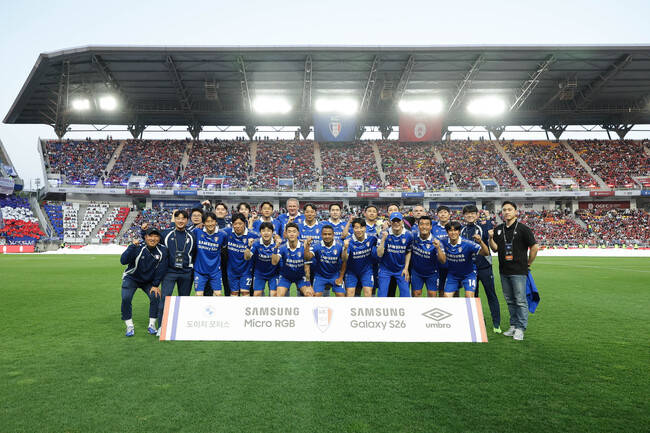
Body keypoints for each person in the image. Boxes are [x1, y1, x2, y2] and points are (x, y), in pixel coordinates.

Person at [488, 201, 539, 341]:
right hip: (504, 271)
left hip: (519, 271)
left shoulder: (523, 229)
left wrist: (528, 263)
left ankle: (520, 328)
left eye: (509, 209)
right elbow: (495, 249)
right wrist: (491, 238)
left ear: (516, 212)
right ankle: (513, 325)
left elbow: (534, 247)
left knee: (520, 300)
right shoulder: (499, 229)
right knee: (510, 300)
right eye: (504, 210)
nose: (506, 212)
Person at [142, 210, 196, 331]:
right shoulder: (166, 234)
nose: (180, 221)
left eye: (183, 218)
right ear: (174, 219)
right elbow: (152, 241)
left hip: (186, 273)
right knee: (165, 300)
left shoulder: (192, 236)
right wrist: (143, 232)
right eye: (178, 218)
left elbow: (194, 253)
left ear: (187, 220)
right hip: (169, 272)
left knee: (184, 301)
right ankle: (162, 327)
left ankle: (182, 326)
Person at [120, 227, 168, 337]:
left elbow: (162, 269)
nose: (153, 238)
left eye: (156, 236)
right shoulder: (137, 247)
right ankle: (129, 325)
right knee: (126, 298)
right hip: (132, 278)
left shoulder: (163, 250)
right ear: (145, 237)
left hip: (148, 281)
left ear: (159, 238)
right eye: (150, 236)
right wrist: (131, 247)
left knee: (155, 296)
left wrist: (155, 285)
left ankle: (152, 324)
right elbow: (123, 261)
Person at [461, 205, 501, 333]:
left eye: (472, 213)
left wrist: (489, 222)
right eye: (467, 214)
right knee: (474, 296)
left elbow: (491, 242)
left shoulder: (483, 227)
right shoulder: (461, 230)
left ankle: (496, 324)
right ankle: (477, 321)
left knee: (491, 295)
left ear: (477, 215)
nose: (470, 215)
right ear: (463, 216)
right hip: (469, 269)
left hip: (484, 267)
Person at [442, 221, 489, 298]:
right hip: (453, 275)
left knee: (469, 296)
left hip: (468, 274)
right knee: (446, 296)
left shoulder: (468, 244)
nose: (453, 233)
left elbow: (486, 253)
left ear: (459, 231)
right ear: (447, 232)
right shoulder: (443, 241)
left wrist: (480, 242)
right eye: (450, 230)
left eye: (455, 230)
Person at [376, 212, 413, 297]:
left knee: (406, 295)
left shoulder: (408, 235)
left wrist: (406, 268)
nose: (396, 223)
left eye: (398, 221)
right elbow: (379, 254)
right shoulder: (383, 234)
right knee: (382, 296)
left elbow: (408, 252)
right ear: (390, 222)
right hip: (385, 269)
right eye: (393, 221)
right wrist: (383, 240)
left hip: (401, 269)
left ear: (402, 222)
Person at [272, 222, 314, 296]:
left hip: (301, 277)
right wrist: (276, 247)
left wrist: (308, 284)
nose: (291, 234)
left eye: (294, 232)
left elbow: (307, 267)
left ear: (298, 233)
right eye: (289, 232)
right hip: (285, 277)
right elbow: (274, 262)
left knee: (309, 294)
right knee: (278, 296)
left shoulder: (304, 246)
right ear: (286, 234)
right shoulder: (282, 247)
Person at [223, 213, 259, 296]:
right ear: (232, 224)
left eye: (240, 223)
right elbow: (216, 230)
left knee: (245, 293)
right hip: (232, 271)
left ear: (245, 224)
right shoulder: (227, 232)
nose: (237, 226)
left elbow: (264, 237)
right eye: (235, 224)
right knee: (234, 293)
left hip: (246, 271)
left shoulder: (253, 235)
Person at [305, 225, 347, 297]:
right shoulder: (317, 246)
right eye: (325, 234)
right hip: (320, 276)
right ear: (321, 235)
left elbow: (344, 261)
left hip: (335, 276)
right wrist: (307, 245)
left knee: (341, 295)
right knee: (315, 295)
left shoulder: (339, 245)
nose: (327, 236)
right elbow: (307, 257)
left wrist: (340, 277)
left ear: (333, 235)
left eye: (329, 234)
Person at [410, 215, 446, 297]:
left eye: (427, 224)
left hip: (432, 273)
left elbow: (443, 261)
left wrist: (438, 248)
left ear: (430, 227)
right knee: (416, 294)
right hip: (416, 272)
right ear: (418, 226)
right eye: (421, 224)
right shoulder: (413, 236)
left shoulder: (436, 241)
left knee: (432, 295)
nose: (424, 227)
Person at [193, 212, 228, 296]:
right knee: (199, 294)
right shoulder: (197, 231)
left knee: (218, 294)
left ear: (216, 222)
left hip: (215, 271)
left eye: (212, 221)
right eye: (207, 221)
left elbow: (224, 249)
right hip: (200, 270)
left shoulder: (222, 235)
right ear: (203, 223)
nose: (210, 224)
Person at [244, 222, 281, 296]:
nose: (266, 233)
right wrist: (248, 246)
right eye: (263, 231)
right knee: (257, 294)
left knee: (274, 294)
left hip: (273, 274)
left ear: (272, 232)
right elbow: (247, 257)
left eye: (268, 231)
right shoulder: (256, 243)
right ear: (260, 232)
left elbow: (274, 262)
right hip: (259, 273)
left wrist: (276, 248)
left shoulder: (277, 244)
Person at [344, 218, 377, 297]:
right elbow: (344, 259)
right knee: (350, 293)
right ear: (353, 229)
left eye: (361, 227)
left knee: (368, 292)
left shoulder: (372, 238)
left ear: (365, 228)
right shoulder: (348, 240)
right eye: (356, 228)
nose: (359, 230)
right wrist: (345, 248)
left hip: (366, 270)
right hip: (351, 271)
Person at [432, 205, 451, 296]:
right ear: (437, 215)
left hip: (452, 264)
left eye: (445, 212)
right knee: (441, 290)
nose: (443, 214)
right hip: (437, 265)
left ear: (449, 215)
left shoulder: (454, 227)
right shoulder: (433, 227)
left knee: (454, 290)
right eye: (440, 212)